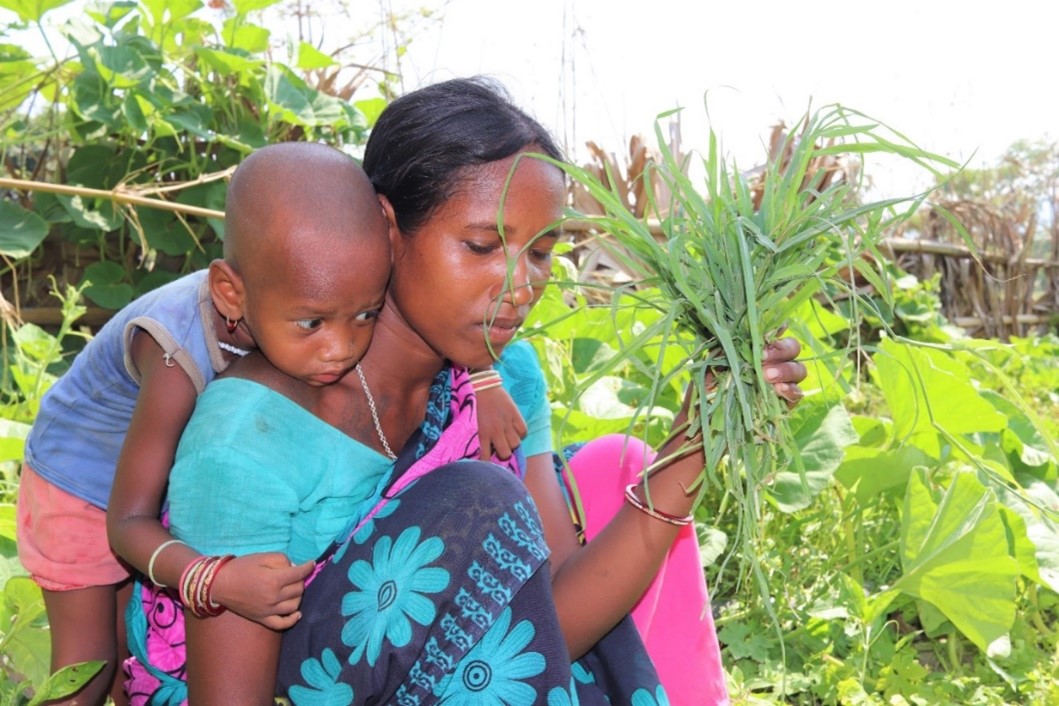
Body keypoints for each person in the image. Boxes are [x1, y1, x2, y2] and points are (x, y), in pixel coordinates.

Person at [128, 76, 806, 705]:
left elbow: (549, 628)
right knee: (475, 497)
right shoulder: (250, 436)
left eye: (539, 252)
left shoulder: (506, 380)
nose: (521, 287)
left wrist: (695, 441)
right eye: (482, 246)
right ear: (389, 232)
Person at [15, 142, 381, 706]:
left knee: (125, 660)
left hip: (143, 472)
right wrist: (215, 579)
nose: (343, 347)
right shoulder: (174, 353)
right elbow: (127, 521)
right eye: (313, 322)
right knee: (89, 664)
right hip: (79, 488)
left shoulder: (278, 294)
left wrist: (485, 378)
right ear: (230, 292)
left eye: (365, 314)